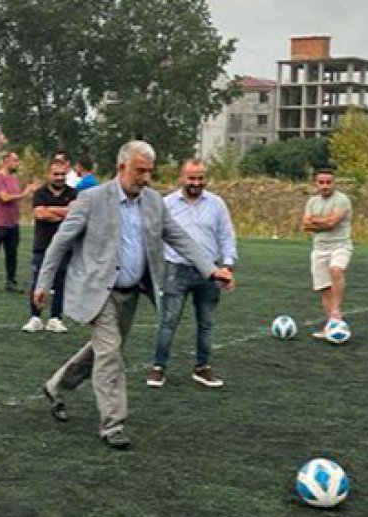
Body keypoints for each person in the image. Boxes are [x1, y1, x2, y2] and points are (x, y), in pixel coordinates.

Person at [34, 140, 234, 450]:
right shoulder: (91, 199)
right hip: (98, 292)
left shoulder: (154, 202)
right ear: (121, 168)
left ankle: (56, 385)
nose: (146, 178)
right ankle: (112, 424)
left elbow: (179, 238)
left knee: (102, 351)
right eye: (140, 171)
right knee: (110, 352)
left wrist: (211, 269)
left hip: (131, 294)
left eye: (149, 172)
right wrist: (43, 283)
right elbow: (60, 243)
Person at [147, 159, 238, 389]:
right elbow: (155, 238)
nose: (196, 182)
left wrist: (227, 266)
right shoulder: (166, 203)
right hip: (175, 269)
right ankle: (159, 367)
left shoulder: (217, 204)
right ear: (181, 177)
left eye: (200, 178)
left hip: (210, 272)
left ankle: (202, 367)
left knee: (206, 322)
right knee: (168, 321)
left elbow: (227, 236)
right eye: (192, 178)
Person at [22, 160, 76, 334]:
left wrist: (51, 210)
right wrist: (63, 212)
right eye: (56, 174)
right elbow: (40, 214)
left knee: (61, 282)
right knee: (38, 280)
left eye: (62, 174)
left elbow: (74, 214)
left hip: (65, 246)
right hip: (42, 244)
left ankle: (56, 318)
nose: (59, 178)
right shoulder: (40, 193)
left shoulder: (73, 193)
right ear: (49, 175)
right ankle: (35, 317)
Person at [301, 167, 353, 339]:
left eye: (328, 182)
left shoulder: (342, 200)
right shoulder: (312, 202)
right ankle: (331, 325)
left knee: (336, 270)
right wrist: (322, 222)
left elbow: (332, 223)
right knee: (324, 289)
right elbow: (305, 225)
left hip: (340, 245)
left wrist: (316, 221)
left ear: (334, 183)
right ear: (316, 183)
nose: (325, 186)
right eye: (321, 182)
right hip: (319, 248)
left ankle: (336, 310)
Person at [0, 150, 38, 293]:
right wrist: (25, 193)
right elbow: (4, 198)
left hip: (12, 222)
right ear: (6, 161)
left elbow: (15, 197)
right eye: (15, 160)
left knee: (12, 253)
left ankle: (11, 281)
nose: (17, 163)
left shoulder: (13, 178)